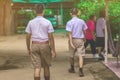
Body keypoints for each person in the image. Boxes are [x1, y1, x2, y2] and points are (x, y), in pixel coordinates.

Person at [25, 4, 56, 80]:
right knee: (46, 66)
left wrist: (28, 48)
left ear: (35, 11)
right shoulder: (48, 22)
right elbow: (51, 38)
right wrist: (53, 50)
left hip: (34, 45)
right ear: (43, 11)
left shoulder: (31, 22)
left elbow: (28, 37)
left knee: (37, 67)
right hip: (45, 45)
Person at [66, 8, 87, 77]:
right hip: (80, 40)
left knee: (71, 55)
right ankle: (81, 70)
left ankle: (72, 68)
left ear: (71, 14)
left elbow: (69, 33)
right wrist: (85, 38)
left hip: (73, 39)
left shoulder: (69, 22)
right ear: (78, 13)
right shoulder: (82, 21)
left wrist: (71, 43)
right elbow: (84, 31)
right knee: (81, 55)